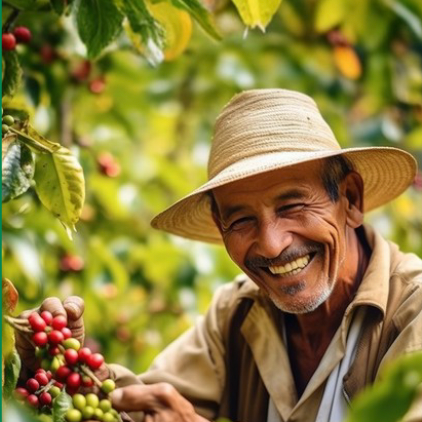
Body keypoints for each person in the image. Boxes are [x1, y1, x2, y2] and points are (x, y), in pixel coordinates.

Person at [16, 89, 422, 422]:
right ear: (218, 224)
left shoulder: (412, 314)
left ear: (350, 199)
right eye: (242, 220)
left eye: (293, 206)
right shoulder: (239, 312)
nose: (272, 244)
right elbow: (151, 407)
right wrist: (66, 373)